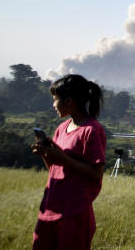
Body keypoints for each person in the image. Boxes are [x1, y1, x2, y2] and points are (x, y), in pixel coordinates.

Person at [30, 74, 106, 250]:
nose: (53, 105)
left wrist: (62, 157)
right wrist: (46, 154)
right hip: (50, 208)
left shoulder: (92, 131)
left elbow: (96, 173)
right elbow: (55, 169)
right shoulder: (61, 129)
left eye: (55, 99)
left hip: (74, 213)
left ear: (69, 101)